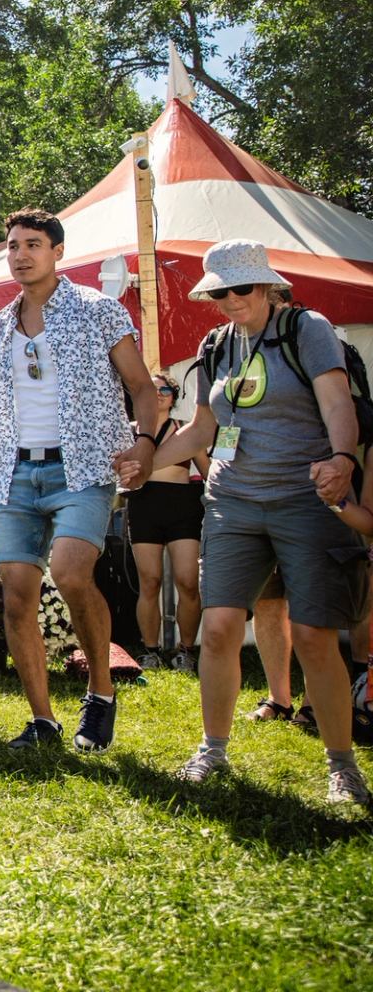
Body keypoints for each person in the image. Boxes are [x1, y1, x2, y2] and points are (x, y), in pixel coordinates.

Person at [148, 241, 369, 805]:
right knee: (218, 628)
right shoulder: (216, 344)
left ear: (268, 287)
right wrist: (141, 465)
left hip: (306, 499)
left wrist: (342, 461)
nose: (228, 300)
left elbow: (338, 404)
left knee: (317, 638)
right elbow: (201, 433)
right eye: (218, 291)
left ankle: (342, 765)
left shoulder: (307, 328)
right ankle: (212, 750)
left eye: (239, 288)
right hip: (232, 503)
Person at [0, 208, 160, 752]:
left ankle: (100, 694)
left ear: (58, 252)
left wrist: (145, 444)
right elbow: (6, 401)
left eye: (33, 244)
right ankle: (42, 721)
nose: (21, 254)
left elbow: (143, 388)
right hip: (14, 473)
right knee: (16, 594)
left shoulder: (99, 311)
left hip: (81, 466)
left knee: (72, 573)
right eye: (12, 246)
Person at [126, 372, 208, 672]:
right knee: (150, 581)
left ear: (173, 397)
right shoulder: (130, 432)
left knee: (188, 581)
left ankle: (186, 650)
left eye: (165, 389)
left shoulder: (186, 431)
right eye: (153, 388)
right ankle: (150, 650)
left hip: (182, 506)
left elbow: (210, 473)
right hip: (144, 506)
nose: (159, 394)